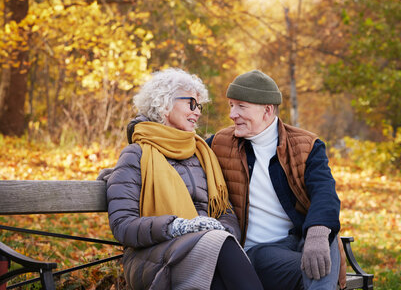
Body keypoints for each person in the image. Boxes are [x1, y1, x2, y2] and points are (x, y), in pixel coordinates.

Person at [100, 68, 263, 290]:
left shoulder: (201, 152)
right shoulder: (136, 154)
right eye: (191, 104)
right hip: (153, 256)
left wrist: (221, 228)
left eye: (199, 106)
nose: (197, 112)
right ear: (164, 104)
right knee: (221, 247)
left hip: (208, 249)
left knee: (220, 266)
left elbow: (225, 212)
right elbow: (123, 226)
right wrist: (177, 226)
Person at [206, 70, 345, 290]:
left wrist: (317, 234)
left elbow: (325, 194)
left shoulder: (306, 145)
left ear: (267, 110)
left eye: (241, 106)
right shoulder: (219, 144)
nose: (232, 114)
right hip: (255, 254)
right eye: (231, 105)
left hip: (297, 245)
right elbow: (182, 151)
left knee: (324, 234)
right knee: (315, 267)